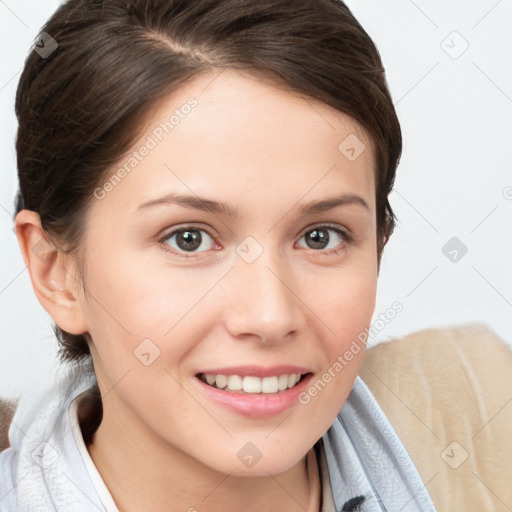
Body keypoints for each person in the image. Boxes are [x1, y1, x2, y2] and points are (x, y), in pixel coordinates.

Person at [0, 0, 437, 510]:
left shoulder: (476, 463)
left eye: (321, 236)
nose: (270, 317)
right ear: (57, 272)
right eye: (189, 238)